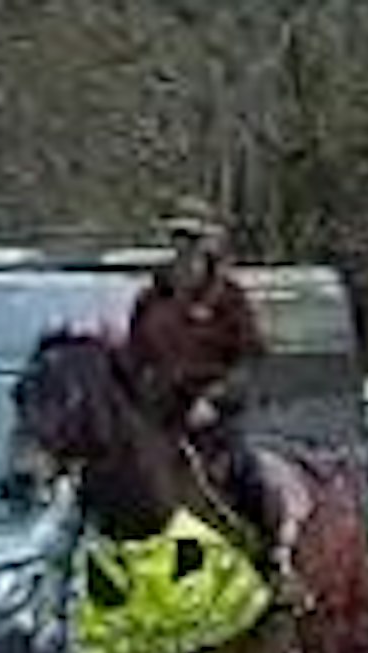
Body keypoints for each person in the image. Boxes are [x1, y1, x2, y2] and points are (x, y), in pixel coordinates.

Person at [124, 202, 296, 589]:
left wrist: (214, 399)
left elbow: (250, 361)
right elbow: (133, 360)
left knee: (250, 477)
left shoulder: (229, 298)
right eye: (177, 238)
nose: (184, 247)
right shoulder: (149, 299)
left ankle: (273, 562)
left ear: (208, 244)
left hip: (214, 420)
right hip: (160, 419)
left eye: (192, 239)